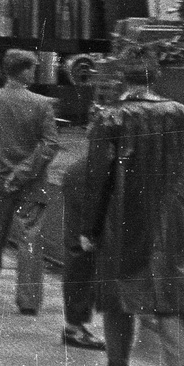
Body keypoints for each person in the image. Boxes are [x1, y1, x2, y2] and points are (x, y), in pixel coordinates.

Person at [82, 63, 184, 366]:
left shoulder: (111, 117)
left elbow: (98, 176)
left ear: (122, 80)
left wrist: (89, 226)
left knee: (115, 297)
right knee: (167, 299)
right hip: (171, 218)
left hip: (122, 217)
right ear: (155, 80)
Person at [0, 48, 59, 314]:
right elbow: (50, 144)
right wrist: (24, 171)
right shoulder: (42, 104)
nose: (34, 73)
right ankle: (29, 301)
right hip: (32, 182)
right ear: (25, 71)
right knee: (30, 238)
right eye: (32, 68)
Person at [59, 149, 104, 351]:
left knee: (83, 254)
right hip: (89, 178)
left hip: (88, 174)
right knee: (82, 254)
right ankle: (73, 327)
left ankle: (74, 326)